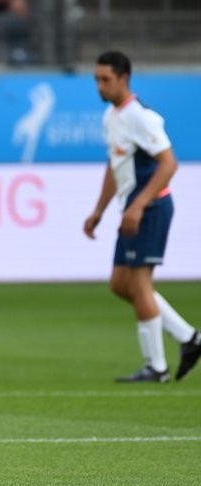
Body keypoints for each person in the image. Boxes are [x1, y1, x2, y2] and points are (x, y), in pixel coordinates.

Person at [83, 50, 201, 383]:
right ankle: (190, 338)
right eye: (96, 79)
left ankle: (157, 367)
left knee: (138, 283)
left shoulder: (141, 117)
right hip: (131, 208)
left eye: (105, 79)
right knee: (121, 284)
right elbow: (115, 166)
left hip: (151, 208)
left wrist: (138, 205)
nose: (99, 86)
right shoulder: (112, 117)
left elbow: (169, 164)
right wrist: (99, 210)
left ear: (124, 79)